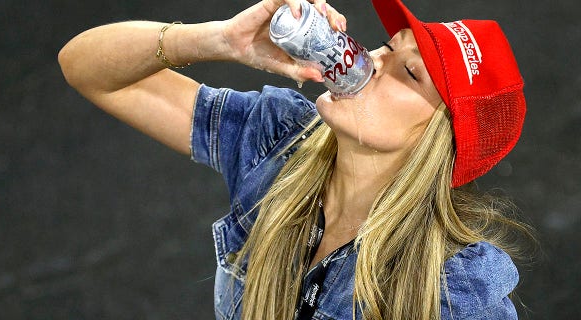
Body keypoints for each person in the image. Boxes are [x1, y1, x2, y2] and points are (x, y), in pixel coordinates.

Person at [58, 0, 535, 318]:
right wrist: (218, 41)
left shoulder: (455, 284)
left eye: (409, 73)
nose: (370, 61)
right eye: (387, 48)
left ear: (443, 138)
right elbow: (86, 68)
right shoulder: (280, 139)